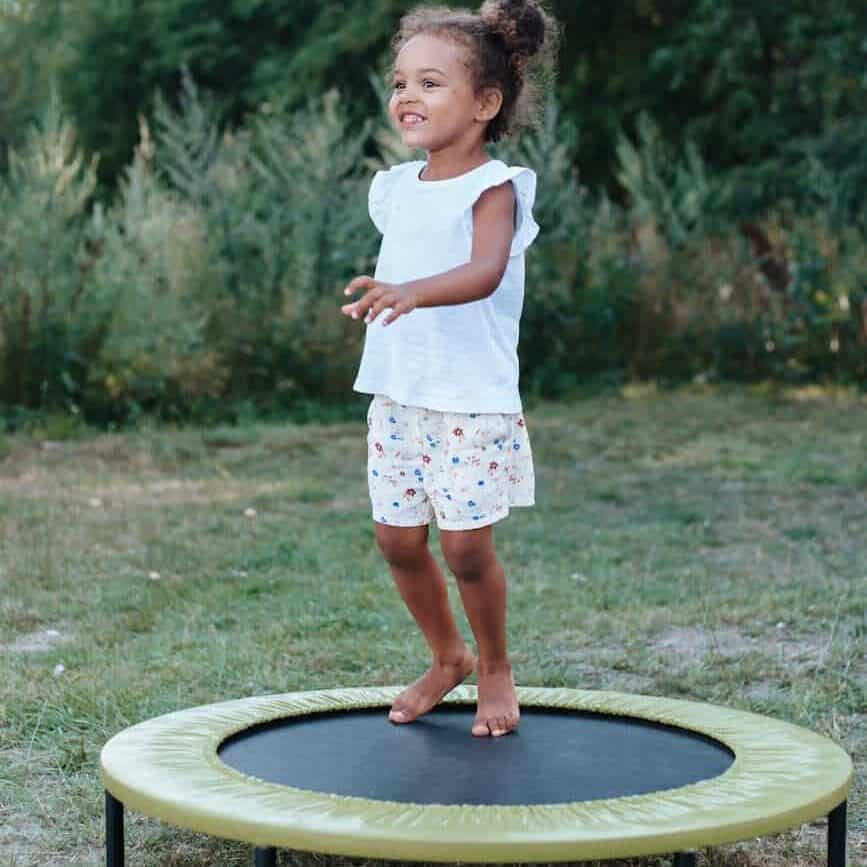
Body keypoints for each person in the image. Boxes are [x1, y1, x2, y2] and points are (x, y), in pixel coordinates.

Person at [341, 0, 558, 737]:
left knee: (466, 546)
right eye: (400, 81)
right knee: (397, 541)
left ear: (485, 103)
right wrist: (389, 294)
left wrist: (410, 291)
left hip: (469, 399)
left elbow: (484, 271)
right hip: (397, 398)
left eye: (430, 83)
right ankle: (447, 656)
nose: (407, 96)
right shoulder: (397, 188)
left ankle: (495, 665)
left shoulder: (494, 186)